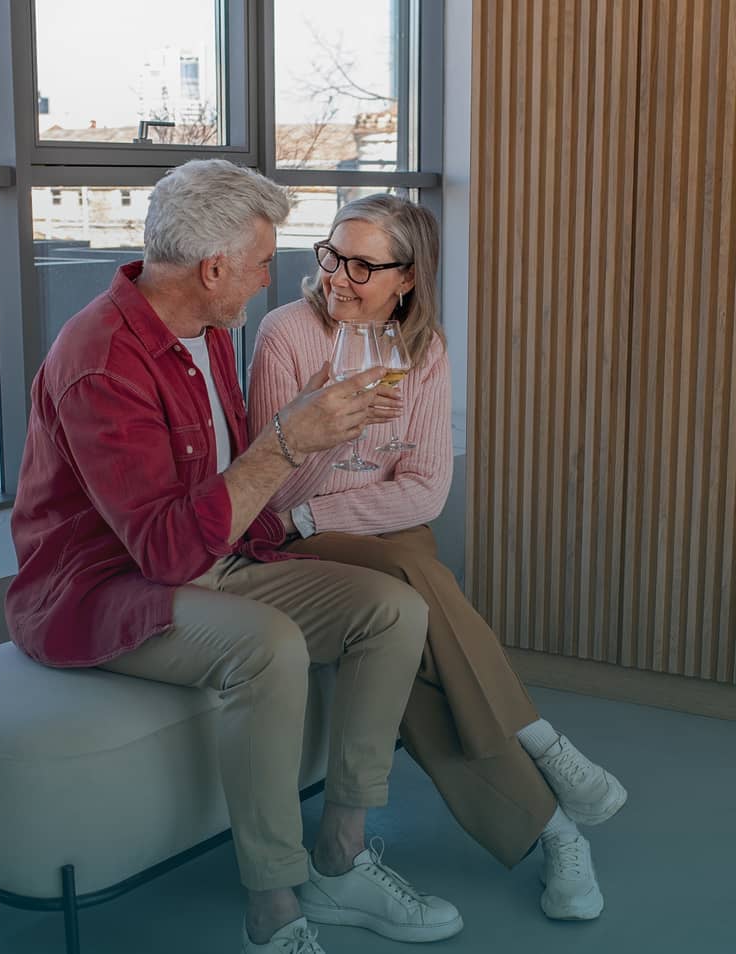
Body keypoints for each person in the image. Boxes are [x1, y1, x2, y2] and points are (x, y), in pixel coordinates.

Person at [5, 162, 463, 954]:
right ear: (213, 269)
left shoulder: (205, 334)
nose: (272, 278)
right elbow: (168, 549)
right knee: (269, 648)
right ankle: (274, 904)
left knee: (395, 610)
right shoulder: (102, 359)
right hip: (108, 590)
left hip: (218, 559)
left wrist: (300, 420)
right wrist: (291, 440)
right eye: (260, 262)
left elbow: (229, 484)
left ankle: (341, 857)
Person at [247, 193, 628, 923]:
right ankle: (543, 751)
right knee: (420, 584)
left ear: (408, 277)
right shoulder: (287, 334)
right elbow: (271, 491)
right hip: (296, 538)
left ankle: (554, 829)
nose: (339, 277)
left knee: (424, 669)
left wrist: (320, 498)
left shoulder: (424, 348)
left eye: (364, 265)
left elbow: (423, 491)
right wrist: (319, 431)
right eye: (333, 255)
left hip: (388, 535)